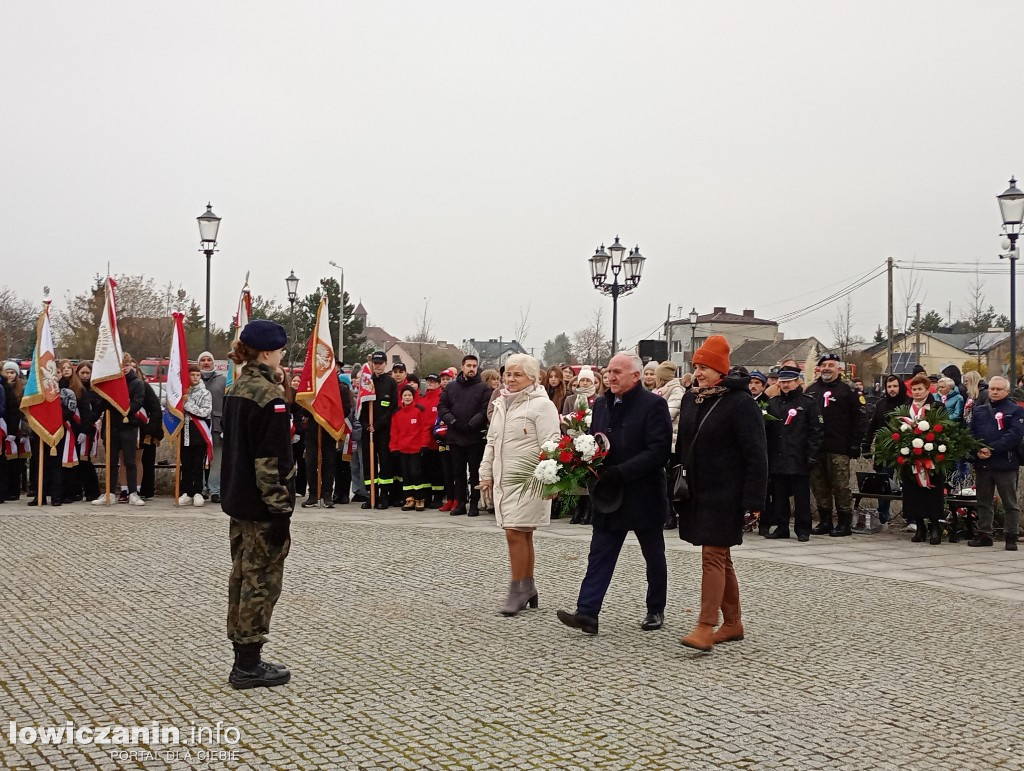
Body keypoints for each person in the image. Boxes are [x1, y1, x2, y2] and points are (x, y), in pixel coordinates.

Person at [556, 352, 673, 636]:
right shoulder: (602, 404)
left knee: (653, 555)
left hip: (643, 493)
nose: (610, 376)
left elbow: (659, 452)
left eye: (617, 372)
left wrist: (622, 471)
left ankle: (655, 608)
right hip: (610, 493)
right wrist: (584, 462)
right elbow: (596, 441)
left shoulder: (654, 405)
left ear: (636, 376)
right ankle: (587, 612)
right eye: (609, 371)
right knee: (600, 553)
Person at [674, 336, 768, 651]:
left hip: (727, 493)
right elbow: (682, 447)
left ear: (721, 370)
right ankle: (733, 623)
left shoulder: (740, 403)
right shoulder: (691, 398)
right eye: (696, 366)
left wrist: (754, 501)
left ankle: (704, 626)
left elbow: (757, 456)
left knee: (712, 556)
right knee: (722, 558)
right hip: (696, 491)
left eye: (705, 367)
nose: (698, 372)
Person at [221, 319, 294, 689]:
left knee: (242, 577)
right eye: (280, 350)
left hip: (239, 501)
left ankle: (244, 655)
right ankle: (248, 663)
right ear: (267, 353)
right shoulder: (268, 396)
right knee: (260, 582)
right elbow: (269, 461)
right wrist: (280, 510)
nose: (283, 355)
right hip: (261, 506)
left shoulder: (237, 388)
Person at [478, 354, 560, 616]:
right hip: (505, 477)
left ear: (533, 378)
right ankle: (527, 585)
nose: (510, 380)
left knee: (515, 531)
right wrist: (485, 472)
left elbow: (552, 444)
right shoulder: (502, 403)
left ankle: (517, 589)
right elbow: (493, 441)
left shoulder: (542, 406)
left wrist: (552, 480)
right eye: (508, 375)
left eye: (517, 375)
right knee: (520, 533)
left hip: (529, 478)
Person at [804, 353, 867, 537]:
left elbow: (861, 418)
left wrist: (856, 443)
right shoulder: (812, 389)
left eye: (831, 365)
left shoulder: (849, 389)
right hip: (816, 448)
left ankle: (844, 523)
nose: (826, 368)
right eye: (823, 365)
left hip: (839, 447)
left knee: (840, 486)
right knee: (819, 485)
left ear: (839, 368)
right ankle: (825, 522)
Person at [765, 365, 823, 541]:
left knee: (801, 496)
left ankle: (803, 528)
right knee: (780, 495)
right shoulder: (773, 404)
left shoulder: (808, 403)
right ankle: (782, 527)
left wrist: (812, 455)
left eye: (789, 382)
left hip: (800, 457)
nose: (785, 385)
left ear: (798, 381)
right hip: (778, 457)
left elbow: (816, 431)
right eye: (782, 382)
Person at [968, 375, 1024, 551]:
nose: (994, 392)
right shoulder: (979, 410)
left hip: (1005, 463)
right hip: (983, 463)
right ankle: (984, 534)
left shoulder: (1015, 411)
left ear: (1007, 391)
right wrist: (977, 449)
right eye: (992, 389)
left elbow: (1014, 435)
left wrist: (991, 449)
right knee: (983, 501)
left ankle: (1011, 536)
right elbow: (971, 433)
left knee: (1009, 502)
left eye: (999, 389)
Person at [438, 354, 491, 517]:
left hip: (474, 437)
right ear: (462, 367)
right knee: (458, 472)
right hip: (455, 435)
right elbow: (442, 407)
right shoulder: (451, 387)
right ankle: (460, 503)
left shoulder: (483, 388)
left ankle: (474, 503)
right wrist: (453, 422)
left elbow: (484, 410)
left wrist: (472, 424)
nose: (471, 369)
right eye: (468, 365)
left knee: (474, 472)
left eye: (474, 366)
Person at [92, 354, 147, 506]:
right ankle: (109, 492)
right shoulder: (110, 384)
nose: (123, 368)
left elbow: (137, 403)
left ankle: (133, 493)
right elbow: (101, 405)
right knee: (110, 461)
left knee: (130, 461)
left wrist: (122, 407)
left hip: (128, 426)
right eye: (119, 366)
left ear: (130, 365)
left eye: (125, 365)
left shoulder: (137, 383)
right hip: (111, 427)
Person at [900, 373, 945, 545]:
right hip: (910, 457)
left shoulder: (936, 405)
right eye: (914, 389)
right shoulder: (906, 407)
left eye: (920, 389)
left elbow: (944, 428)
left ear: (927, 389)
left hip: (931, 457)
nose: (917, 392)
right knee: (913, 493)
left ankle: (935, 527)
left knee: (931, 493)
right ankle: (919, 526)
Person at [862, 374, 911, 528]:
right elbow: (873, 425)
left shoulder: (908, 403)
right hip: (885, 449)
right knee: (884, 482)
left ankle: (911, 517)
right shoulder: (881, 403)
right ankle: (883, 515)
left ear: (900, 386)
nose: (892, 389)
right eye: (889, 387)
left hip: (905, 448)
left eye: (895, 386)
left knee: (908, 482)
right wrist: (866, 444)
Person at [359, 351, 398, 510]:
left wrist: (378, 424)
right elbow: (360, 407)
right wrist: (365, 425)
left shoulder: (390, 383)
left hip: (383, 430)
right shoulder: (366, 381)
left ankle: (383, 496)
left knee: (385, 462)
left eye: (380, 363)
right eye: (375, 363)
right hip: (367, 430)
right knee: (369, 464)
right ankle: (371, 495)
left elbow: (393, 408)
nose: (378, 366)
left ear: (385, 364)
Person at [655, 360, 684, 530]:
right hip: (663, 442)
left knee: (671, 483)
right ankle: (666, 514)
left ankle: (672, 515)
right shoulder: (660, 391)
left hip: (672, 443)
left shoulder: (676, 390)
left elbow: (668, 413)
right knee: (664, 482)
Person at [178, 363, 213, 507]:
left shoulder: (205, 393)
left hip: (198, 432)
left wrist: (187, 405)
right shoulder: (181, 392)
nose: (195, 377)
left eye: (198, 375)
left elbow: (204, 412)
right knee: (186, 464)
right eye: (192, 375)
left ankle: (198, 491)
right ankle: (186, 491)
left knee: (198, 464)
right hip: (184, 431)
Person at [390, 383, 428, 510]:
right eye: (405, 395)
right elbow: (394, 431)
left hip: (416, 449)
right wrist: (394, 447)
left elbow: (424, 429)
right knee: (406, 475)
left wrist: (424, 444)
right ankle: (409, 498)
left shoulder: (419, 410)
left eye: (409, 395)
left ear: (413, 396)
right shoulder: (397, 413)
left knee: (416, 473)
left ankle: (420, 499)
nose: (407, 397)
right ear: (401, 397)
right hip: (402, 449)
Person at [198, 352, 226, 503]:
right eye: (203, 360)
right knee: (198, 457)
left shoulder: (222, 381)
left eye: (209, 359)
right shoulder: (193, 380)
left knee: (217, 459)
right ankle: (200, 488)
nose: (206, 362)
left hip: (217, 425)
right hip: (199, 424)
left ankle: (215, 490)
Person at [73, 361, 102, 503]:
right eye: (82, 373)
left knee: (85, 460)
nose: (84, 376)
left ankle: (92, 491)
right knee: (73, 461)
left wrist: (86, 423)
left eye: (87, 373)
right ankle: (76, 490)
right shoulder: (74, 388)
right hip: (73, 429)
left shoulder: (95, 391)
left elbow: (96, 411)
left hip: (88, 429)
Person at [418, 374, 445, 507]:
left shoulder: (441, 399)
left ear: (439, 384)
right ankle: (427, 496)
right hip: (423, 443)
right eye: (428, 381)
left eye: (434, 382)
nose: (430, 383)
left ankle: (438, 497)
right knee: (425, 471)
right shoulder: (421, 400)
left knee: (437, 472)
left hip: (436, 442)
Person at [138, 364, 163, 500]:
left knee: (147, 461)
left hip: (147, 431)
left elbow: (155, 409)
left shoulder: (146, 388)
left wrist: (151, 430)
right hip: (131, 429)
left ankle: (146, 490)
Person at [2, 361, 26, 500]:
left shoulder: (21, 388)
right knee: (5, 462)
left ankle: (14, 490)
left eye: (12, 372)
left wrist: (21, 431)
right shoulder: (3, 387)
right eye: (7, 372)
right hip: (4, 428)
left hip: (16, 429)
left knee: (15, 462)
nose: (10, 375)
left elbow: (19, 412)